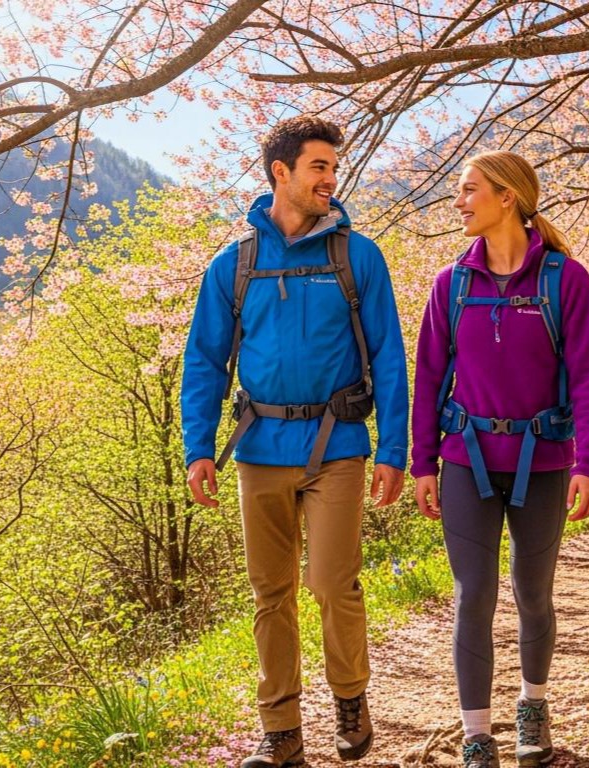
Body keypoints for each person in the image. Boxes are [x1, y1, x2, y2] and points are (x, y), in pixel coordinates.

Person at [181, 116, 409, 767]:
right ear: (281, 172)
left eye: (333, 167)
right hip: (259, 450)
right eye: (319, 167)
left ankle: (349, 698)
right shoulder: (233, 265)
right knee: (270, 595)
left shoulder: (357, 257)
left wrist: (392, 450)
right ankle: (281, 730)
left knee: (333, 583)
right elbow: (204, 362)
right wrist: (199, 448)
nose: (330, 179)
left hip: (338, 446)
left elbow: (390, 357)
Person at [410, 151, 589, 767]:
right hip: (465, 462)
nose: (459, 202)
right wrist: (423, 463)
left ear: (508, 197)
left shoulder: (565, 280)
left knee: (532, 592)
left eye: (469, 189)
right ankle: (476, 734)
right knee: (473, 594)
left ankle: (533, 706)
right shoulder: (451, 284)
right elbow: (429, 379)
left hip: (543, 462)